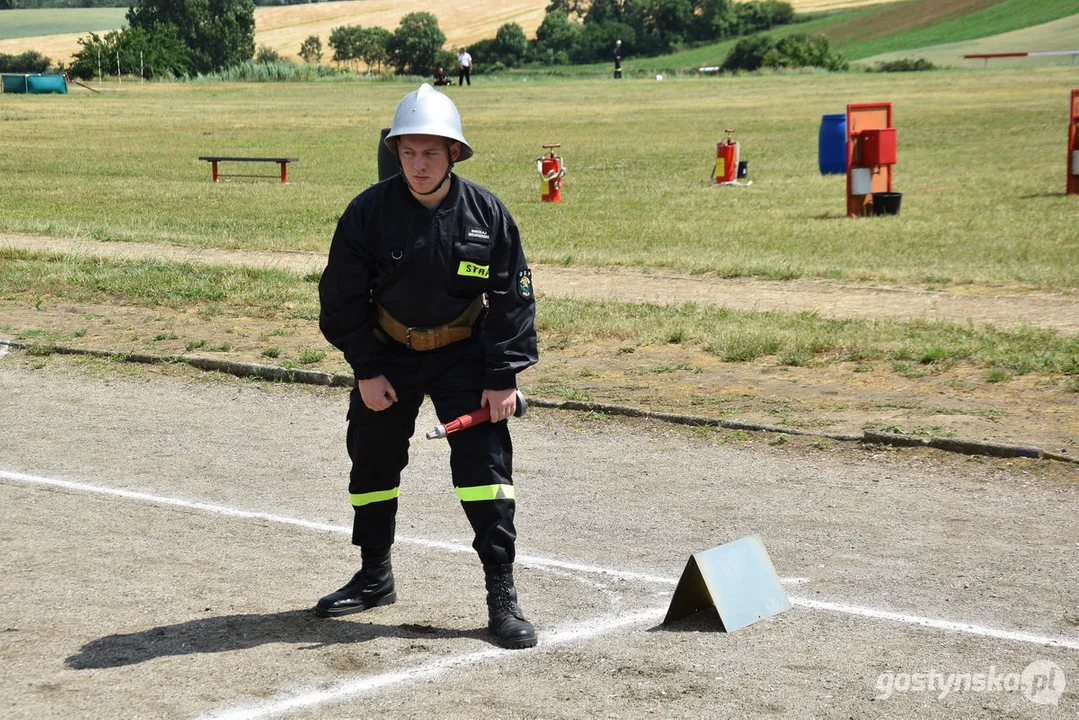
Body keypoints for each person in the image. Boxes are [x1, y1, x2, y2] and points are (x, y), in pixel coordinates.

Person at [316, 83, 539, 650]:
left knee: (485, 472)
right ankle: (374, 576)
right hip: (387, 354)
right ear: (396, 152)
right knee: (371, 464)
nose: (419, 164)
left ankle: (501, 594)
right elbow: (341, 299)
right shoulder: (368, 212)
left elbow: (512, 298)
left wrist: (502, 375)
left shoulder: (487, 214)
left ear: (454, 155)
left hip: (466, 356)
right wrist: (366, 369)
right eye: (409, 151)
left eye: (431, 153)